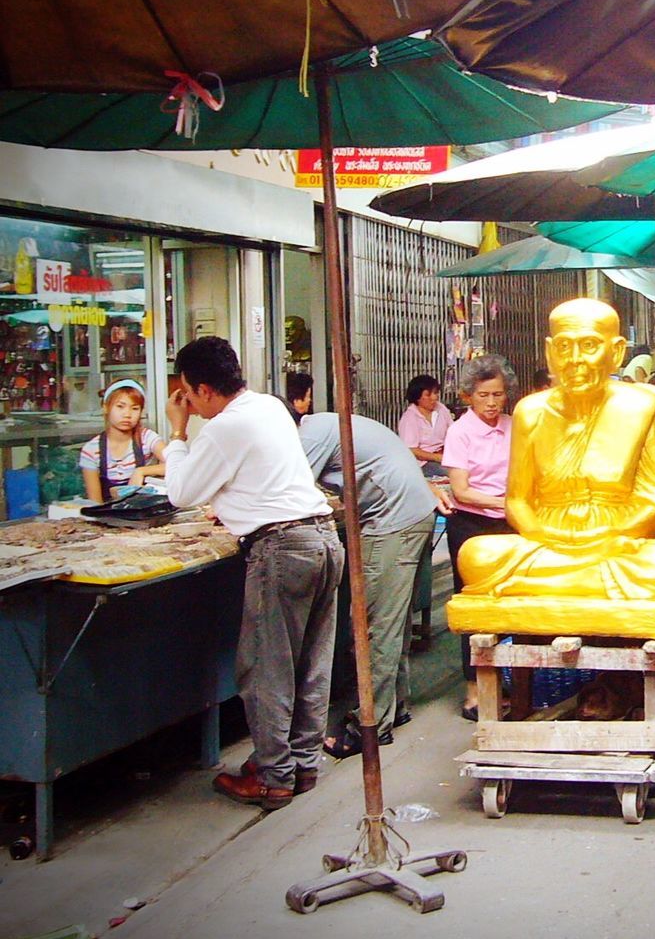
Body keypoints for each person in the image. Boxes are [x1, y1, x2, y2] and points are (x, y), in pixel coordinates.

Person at [164, 337, 343, 810]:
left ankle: (272, 776)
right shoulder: (267, 406)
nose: (190, 404)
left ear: (202, 390)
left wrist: (178, 434)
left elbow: (180, 492)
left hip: (282, 547)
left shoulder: (225, 428)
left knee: (267, 668)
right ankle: (301, 764)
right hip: (323, 537)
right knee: (310, 664)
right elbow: (259, 478)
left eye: (188, 394)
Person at [455, 300, 655, 602]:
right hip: (547, 541)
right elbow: (517, 502)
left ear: (615, 352)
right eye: (564, 347)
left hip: (616, 541)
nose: (575, 359)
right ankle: (585, 584)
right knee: (476, 556)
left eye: (589, 345)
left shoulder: (641, 408)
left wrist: (614, 532)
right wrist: (546, 534)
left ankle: (553, 585)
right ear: (550, 353)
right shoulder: (530, 412)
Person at [291, 408, 444, 758]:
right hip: (412, 512)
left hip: (393, 520)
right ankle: (394, 705)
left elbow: (292, 492)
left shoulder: (307, 437)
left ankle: (369, 725)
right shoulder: (323, 425)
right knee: (393, 620)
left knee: (375, 625)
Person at [443, 354, 518, 720]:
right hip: (471, 526)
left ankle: (509, 681)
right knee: (473, 608)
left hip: (509, 525)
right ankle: (473, 690)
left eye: (498, 395)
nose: (491, 403)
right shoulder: (460, 431)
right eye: (484, 395)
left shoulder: (514, 426)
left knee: (510, 603)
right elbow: (461, 491)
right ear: (468, 396)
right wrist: (506, 502)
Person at [79, 378, 167, 502]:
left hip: (144, 511)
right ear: (106, 408)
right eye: (120, 406)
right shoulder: (91, 450)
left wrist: (141, 471)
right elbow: (95, 503)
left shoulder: (146, 438)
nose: (127, 414)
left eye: (135, 408)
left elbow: (176, 463)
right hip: (108, 515)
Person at [398, 374, 453, 476]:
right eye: (428, 395)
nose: (434, 397)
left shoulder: (441, 408)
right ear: (417, 397)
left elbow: (453, 431)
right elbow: (412, 450)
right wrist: (437, 457)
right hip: (424, 463)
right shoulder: (410, 418)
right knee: (456, 474)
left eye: (436, 393)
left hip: (445, 456)